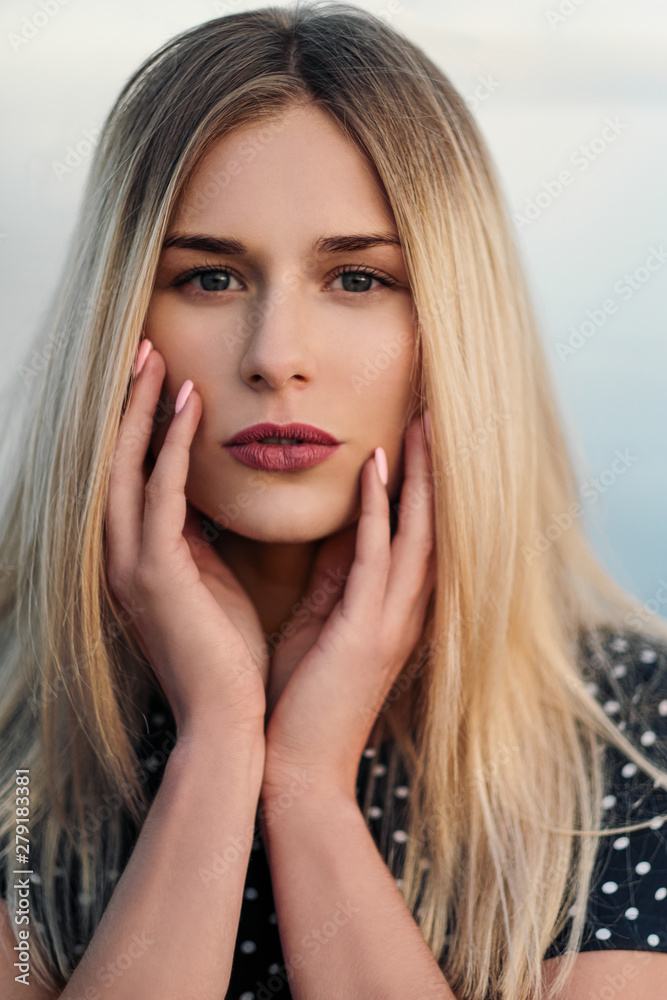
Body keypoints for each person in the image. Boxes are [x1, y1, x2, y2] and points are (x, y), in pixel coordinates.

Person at [0, 3, 666, 998]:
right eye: (211, 277)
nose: (277, 357)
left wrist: (307, 789)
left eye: (356, 277)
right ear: (120, 315)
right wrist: (219, 745)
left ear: (450, 322)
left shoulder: (636, 729)